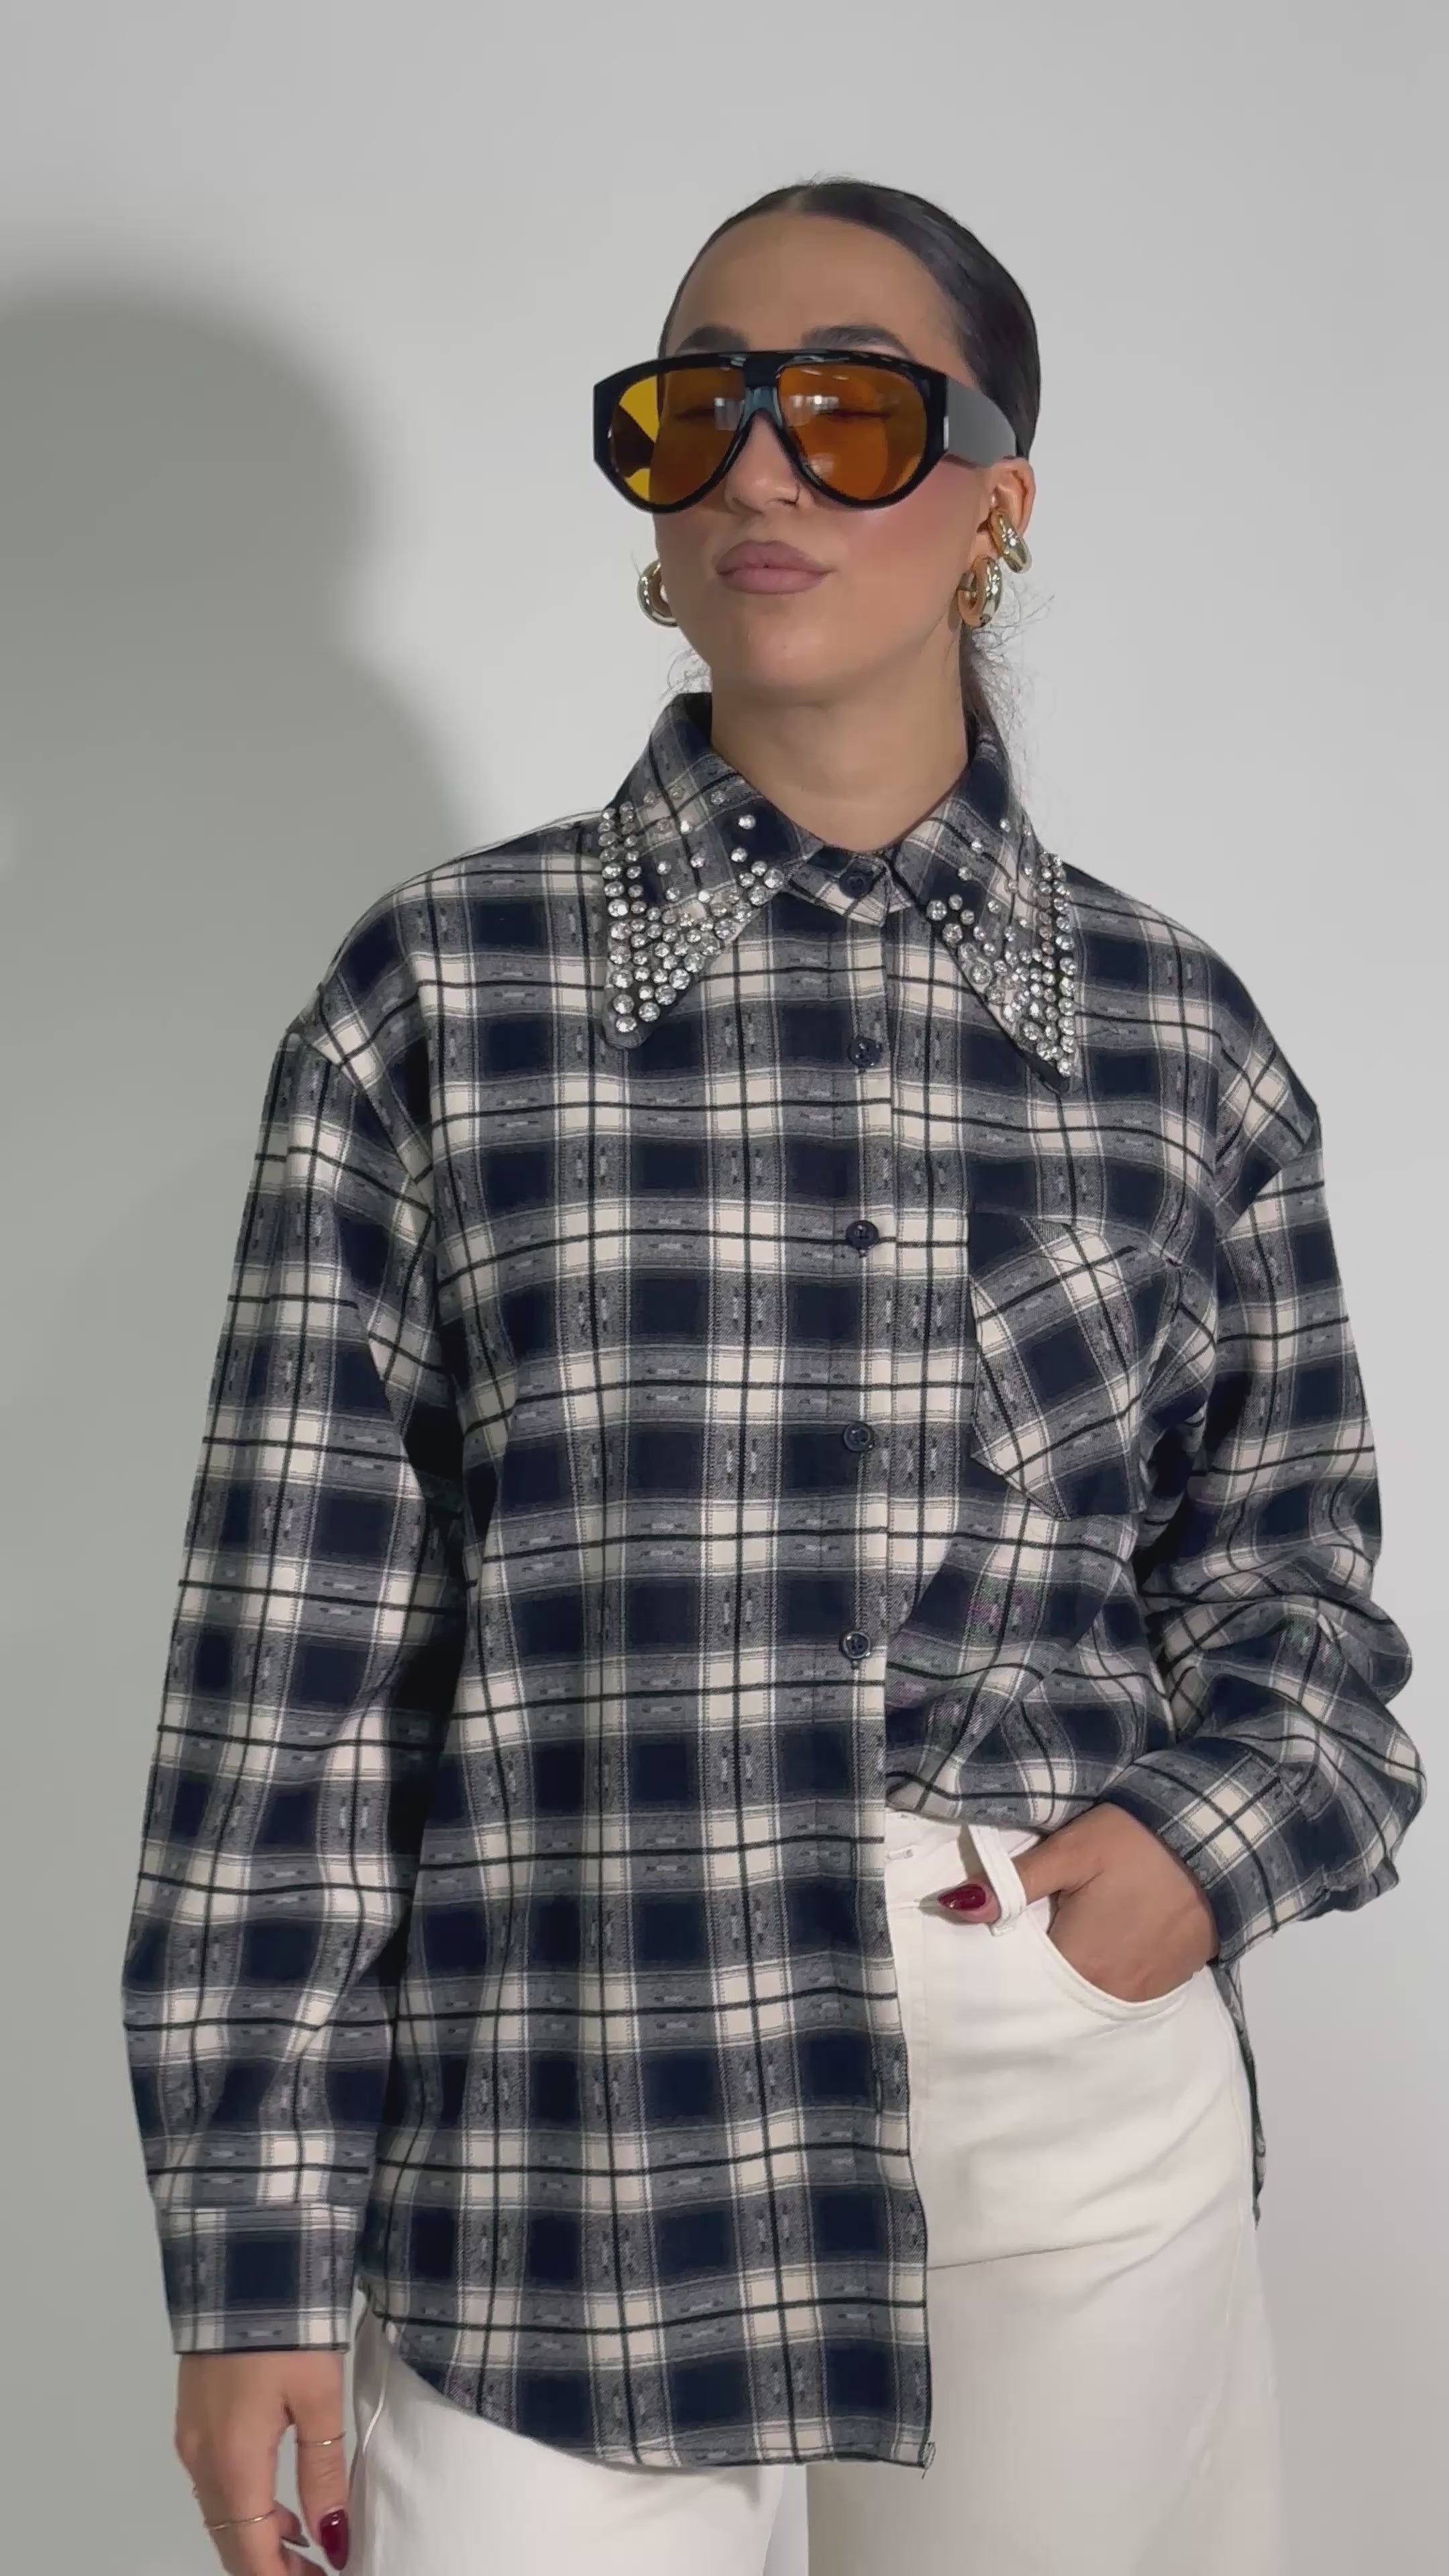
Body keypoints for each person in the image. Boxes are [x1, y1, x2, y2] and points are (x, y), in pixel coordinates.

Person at [119, 175, 1424, 2576]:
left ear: (997, 497)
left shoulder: (1175, 1040)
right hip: (559, 2131)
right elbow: (290, 1680)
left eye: (847, 409)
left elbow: (1307, 1611)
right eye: (693, 409)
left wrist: (1184, 1865)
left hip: (1057, 2116)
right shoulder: (439, 997)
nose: (756, 468)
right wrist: (251, 2253)